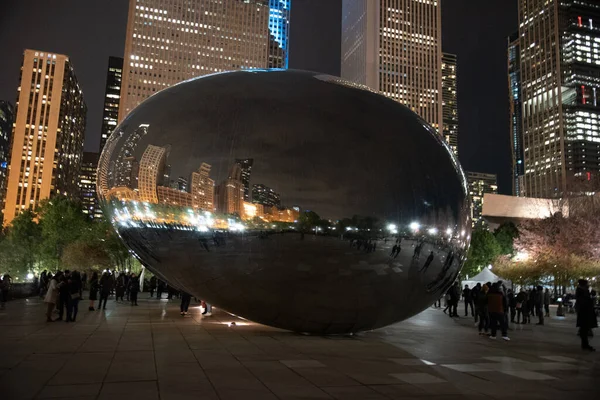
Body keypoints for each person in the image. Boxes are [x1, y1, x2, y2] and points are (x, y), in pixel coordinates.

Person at [575, 279, 597, 351]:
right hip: (585, 312)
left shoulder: (582, 291)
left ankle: (585, 343)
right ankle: (585, 344)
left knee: (584, 328)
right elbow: (585, 301)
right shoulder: (583, 291)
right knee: (584, 328)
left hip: (584, 312)